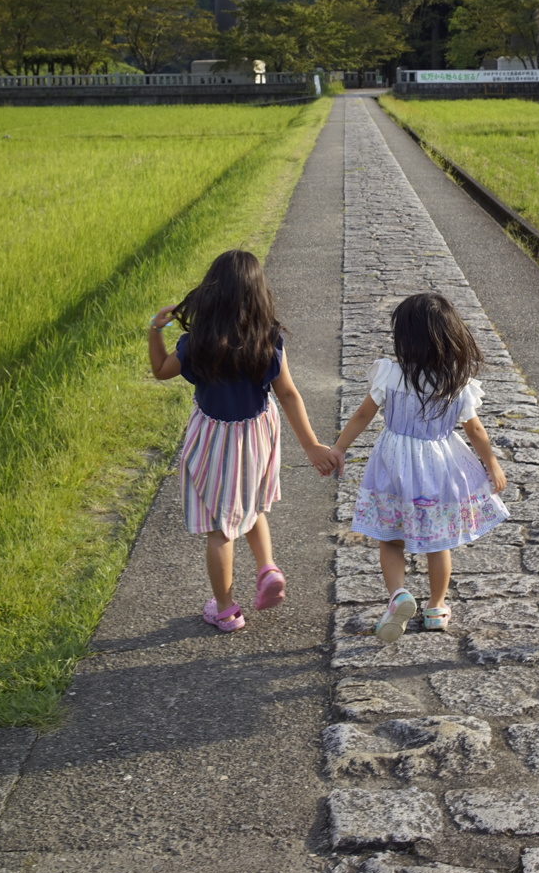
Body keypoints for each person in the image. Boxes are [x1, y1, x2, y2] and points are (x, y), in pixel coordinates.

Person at [149, 248, 341, 632]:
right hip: (256, 434)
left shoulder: (194, 343)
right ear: (258, 295)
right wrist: (311, 445)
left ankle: (225, 609)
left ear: (211, 293)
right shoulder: (269, 340)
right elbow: (287, 394)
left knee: (220, 527)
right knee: (251, 504)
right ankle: (267, 567)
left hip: (213, 439)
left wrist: (155, 330)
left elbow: (160, 371)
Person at [334, 291, 508, 642]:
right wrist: (492, 463)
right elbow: (475, 430)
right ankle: (435, 608)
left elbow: (363, 416)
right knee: (438, 542)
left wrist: (338, 448)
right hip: (437, 468)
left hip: (393, 466)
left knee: (391, 539)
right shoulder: (455, 383)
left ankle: (398, 594)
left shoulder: (390, 375)